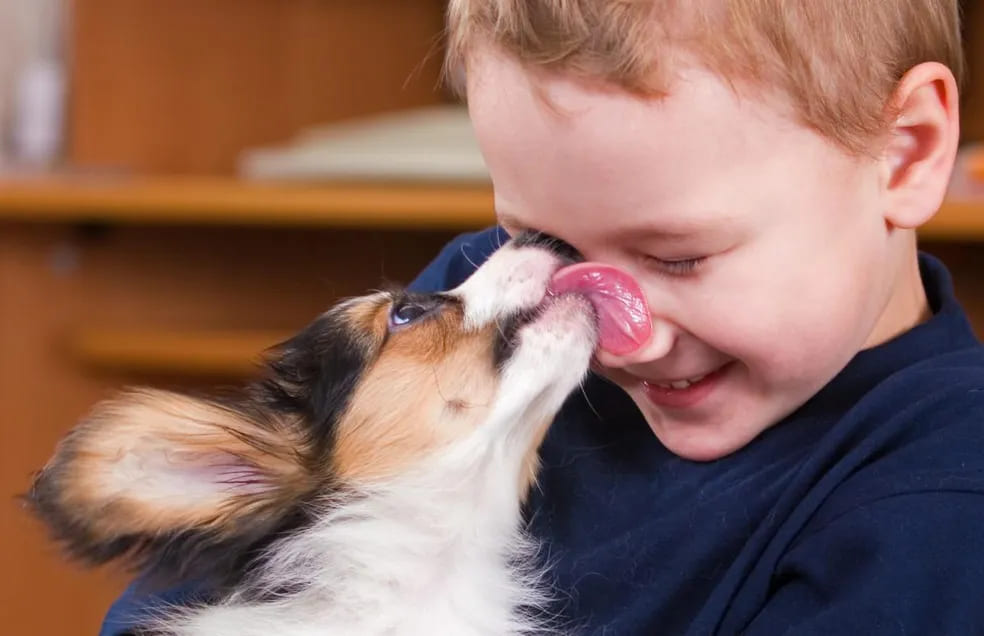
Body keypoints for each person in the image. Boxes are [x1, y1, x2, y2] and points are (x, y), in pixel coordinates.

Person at [102, 2, 984, 634]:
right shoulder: (496, 311)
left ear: (905, 153)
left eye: (679, 257)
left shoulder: (943, 507)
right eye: (546, 238)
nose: (614, 327)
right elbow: (196, 593)